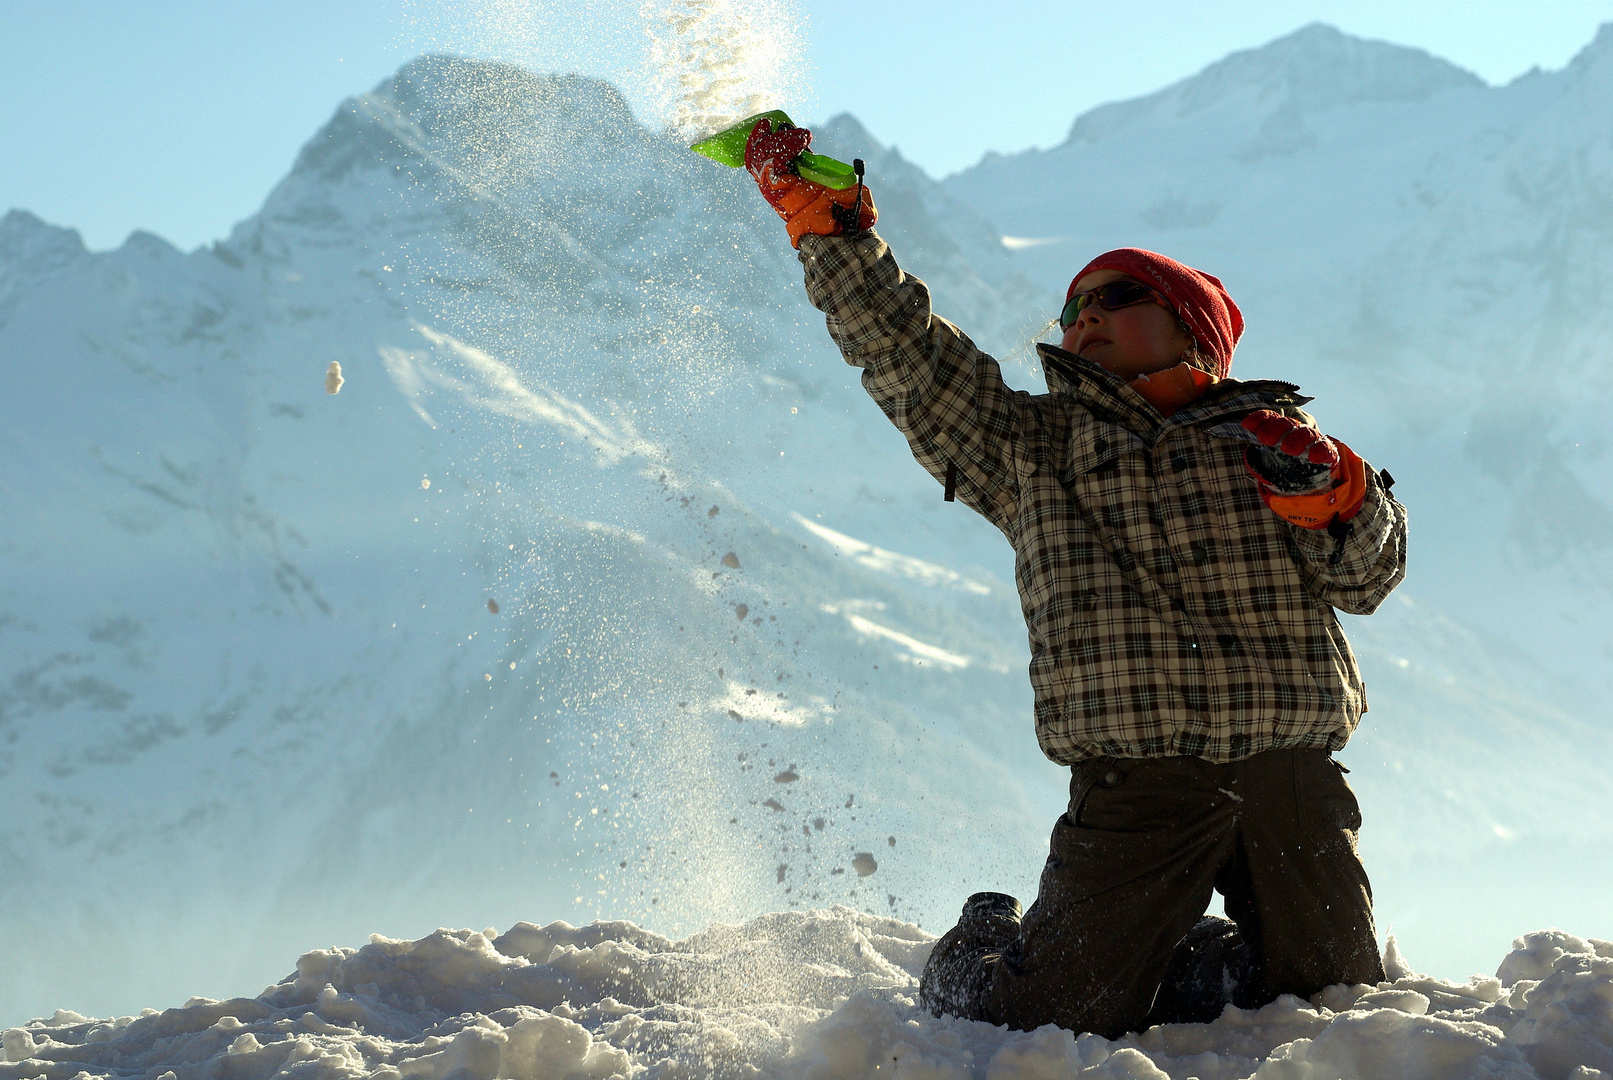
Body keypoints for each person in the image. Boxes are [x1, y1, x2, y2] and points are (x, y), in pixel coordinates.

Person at [742, 117, 1407, 1037]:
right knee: (1048, 1018)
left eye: (1116, 295)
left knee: (1331, 1001)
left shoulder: (1277, 448)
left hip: (1288, 771)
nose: (1083, 314)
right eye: (1071, 306)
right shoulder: (1029, 445)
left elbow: (1367, 579)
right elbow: (906, 355)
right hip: (1137, 780)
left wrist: (1339, 496)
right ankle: (980, 946)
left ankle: (1172, 960)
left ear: (1196, 332)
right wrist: (832, 229)